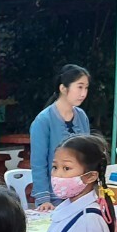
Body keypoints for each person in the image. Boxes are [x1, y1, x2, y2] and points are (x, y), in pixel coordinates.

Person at [30, 64, 91, 210]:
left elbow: (89, 155)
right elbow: (38, 163)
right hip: (54, 198)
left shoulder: (82, 116)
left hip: (81, 194)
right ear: (63, 88)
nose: (83, 93)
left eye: (86, 88)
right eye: (79, 87)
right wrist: (44, 199)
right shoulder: (43, 120)